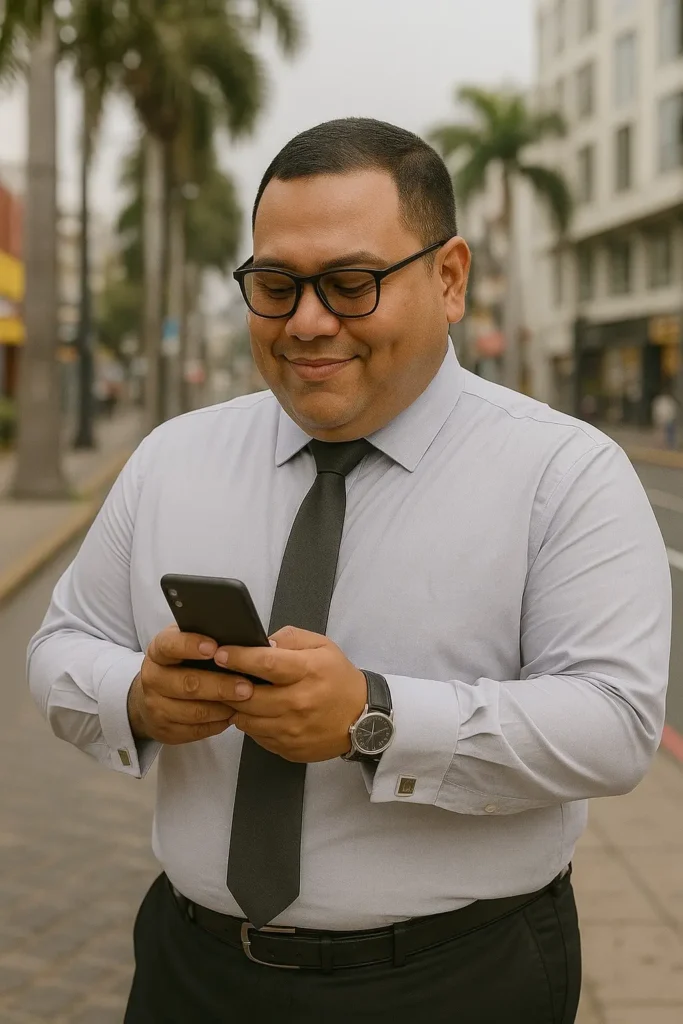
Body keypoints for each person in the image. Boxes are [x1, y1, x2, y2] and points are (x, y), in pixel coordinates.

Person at [27, 119, 671, 1024]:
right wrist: (136, 696)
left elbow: (614, 725)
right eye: (276, 286)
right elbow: (61, 644)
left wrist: (375, 718)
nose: (307, 321)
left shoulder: (563, 472)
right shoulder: (171, 459)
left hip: (458, 980)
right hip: (192, 970)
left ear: (448, 279)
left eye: (351, 283)